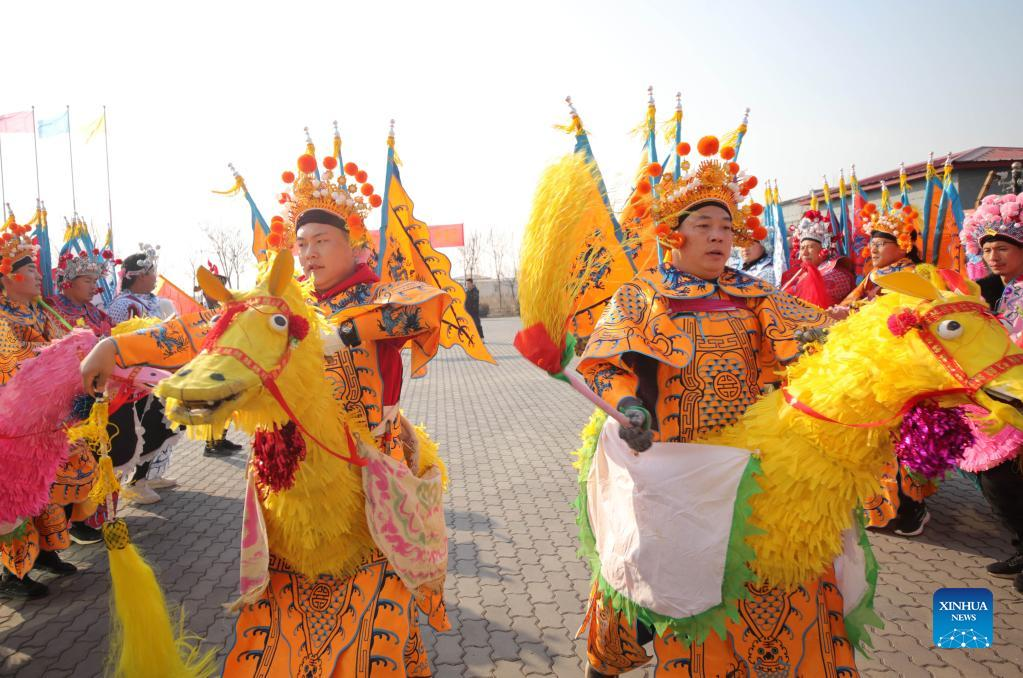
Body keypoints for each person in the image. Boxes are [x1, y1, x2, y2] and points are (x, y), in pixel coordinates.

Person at [81, 147, 460, 675]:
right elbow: (204, 330)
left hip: (368, 473)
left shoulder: (377, 293)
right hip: (290, 475)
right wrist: (118, 349)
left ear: (352, 244)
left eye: (322, 241)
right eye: (301, 244)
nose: (309, 254)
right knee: (279, 616)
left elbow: (428, 302)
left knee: (376, 622)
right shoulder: (281, 305)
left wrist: (344, 332)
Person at [575, 135, 851, 676]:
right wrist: (630, 405)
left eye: (726, 228)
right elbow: (601, 364)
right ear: (673, 234)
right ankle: (610, 659)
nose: (720, 237)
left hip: (743, 467)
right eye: (705, 225)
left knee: (769, 576)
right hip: (670, 464)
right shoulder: (641, 296)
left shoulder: (757, 293)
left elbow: (824, 338)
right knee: (648, 577)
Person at [0, 215, 86, 598]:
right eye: (31, 270)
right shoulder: (3, 318)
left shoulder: (43, 312)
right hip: (15, 421)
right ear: (8, 277)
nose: (39, 276)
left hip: (49, 417)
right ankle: (13, 575)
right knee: (16, 495)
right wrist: (53, 355)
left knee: (51, 487)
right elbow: (13, 363)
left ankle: (48, 553)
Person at [961, 192, 1023, 594]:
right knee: (993, 475)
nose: (994, 256)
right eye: (987, 248)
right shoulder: (987, 290)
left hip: (1016, 395)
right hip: (996, 395)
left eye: (1003, 247)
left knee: (1001, 477)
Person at [48, 246, 119, 545]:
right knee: (64, 467)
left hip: (95, 399)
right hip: (61, 401)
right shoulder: (52, 309)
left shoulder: (97, 314)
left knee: (97, 457)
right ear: (69, 282)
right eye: (88, 281)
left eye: (95, 281)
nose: (95, 287)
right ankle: (60, 529)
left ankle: (87, 517)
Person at [106, 245, 180, 503]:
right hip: (132, 382)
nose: (155, 277)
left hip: (155, 376)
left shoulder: (152, 301)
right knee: (142, 431)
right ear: (138, 276)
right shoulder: (123, 305)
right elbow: (124, 343)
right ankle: (134, 482)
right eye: (151, 273)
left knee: (163, 425)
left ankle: (145, 476)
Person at [830, 201, 922, 319]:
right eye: (872, 244)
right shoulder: (874, 273)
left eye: (879, 244)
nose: (873, 250)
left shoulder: (911, 274)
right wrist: (841, 311)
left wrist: (851, 312)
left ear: (902, 247)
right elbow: (852, 300)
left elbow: (895, 311)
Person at [195, 262, 243, 458]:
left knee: (227, 405)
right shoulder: (198, 310)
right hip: (211, 365)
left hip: (227, 363)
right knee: (215, 405)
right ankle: (210, 444)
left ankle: (220, 439)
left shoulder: (224, 307)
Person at [780, 210, 855, 307]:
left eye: (811, 247)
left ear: (824, 249)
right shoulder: (799, 275)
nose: (805, 253)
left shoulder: (837, 274)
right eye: (802, 248)